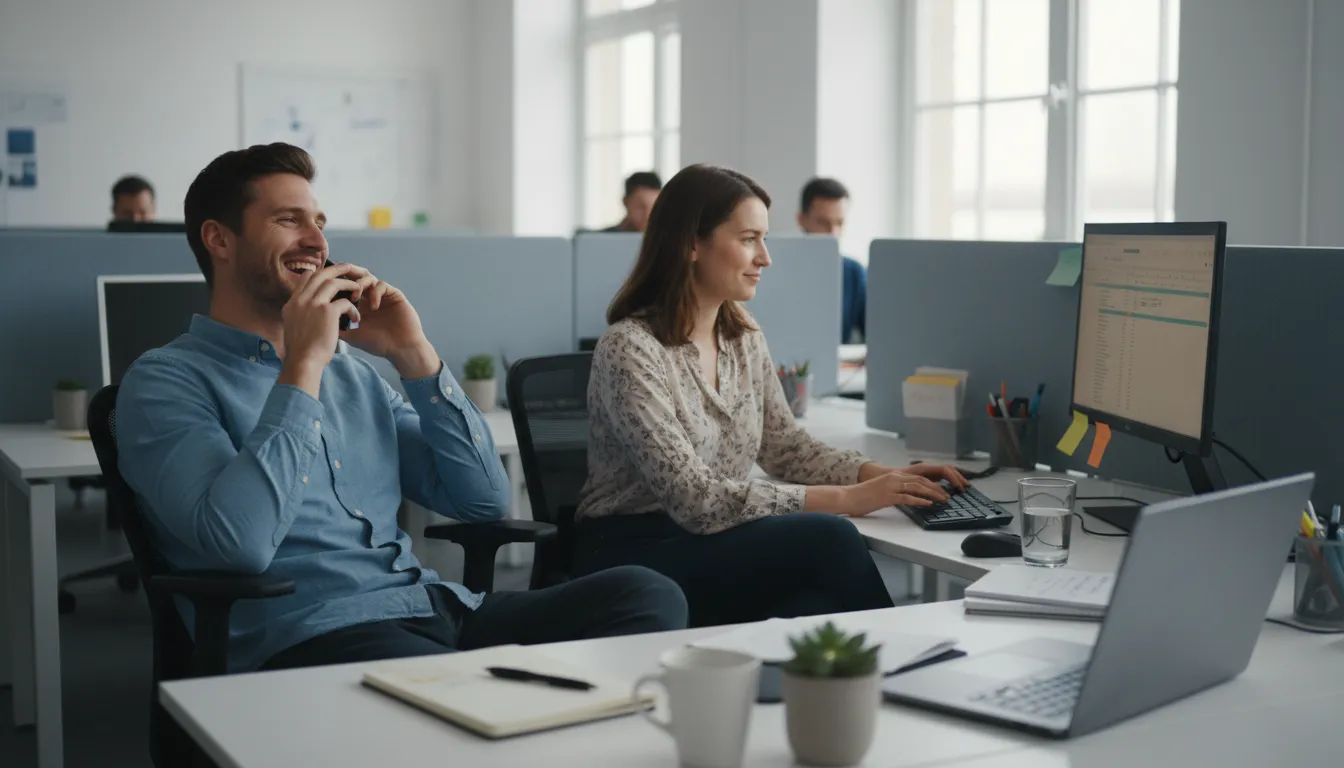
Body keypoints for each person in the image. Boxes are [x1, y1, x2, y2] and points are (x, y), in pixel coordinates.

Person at [116, 143, 687, 673]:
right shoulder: (166, 382)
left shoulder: (354, 377)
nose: (316, 241)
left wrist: (413, 354)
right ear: (219, 240)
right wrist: (303, 367)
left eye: (319, 223)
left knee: (645, 593)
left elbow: (482, 501)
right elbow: (240, 543)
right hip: (312, 635)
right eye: (288, 220)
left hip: (433, 607)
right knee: (457, 691)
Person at [574, 164, 966, 628]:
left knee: (813, 607)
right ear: (691, 244)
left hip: (713, 538)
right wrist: (849, 498)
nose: (765, 257)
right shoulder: (631, 348)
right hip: (632, 553)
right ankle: (908, 656)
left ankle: (875, 670)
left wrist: (883, 476)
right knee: (831, 538)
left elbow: (784, 447)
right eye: (748, 239)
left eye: (764, 238)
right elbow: (694, 499)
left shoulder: (741, 334)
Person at [797, 178, 866, 343]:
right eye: (823, 223)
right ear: (801, 220)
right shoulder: (771, 266)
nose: (833, 233)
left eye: (840, 223)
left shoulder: (853, 272)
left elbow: (875, 333)